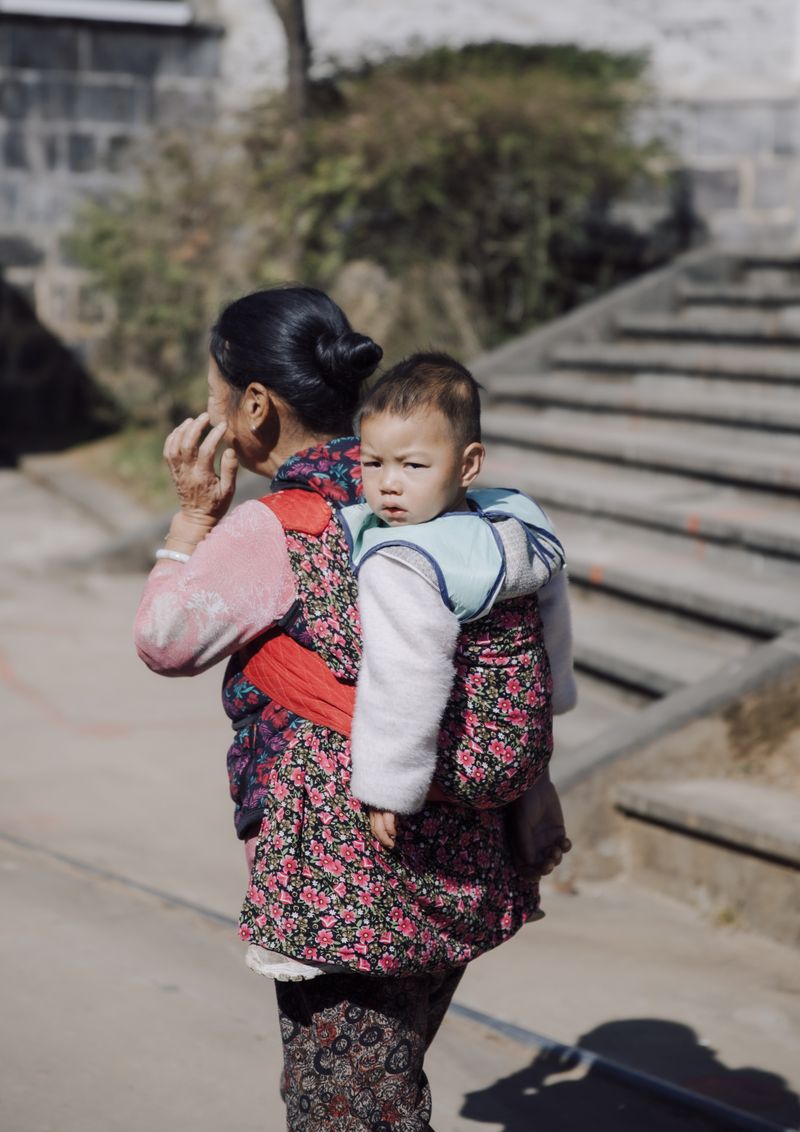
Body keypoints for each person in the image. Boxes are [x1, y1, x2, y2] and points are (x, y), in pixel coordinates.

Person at [134, 284, 571, 1131]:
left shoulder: (274, 529)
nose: (211, 411)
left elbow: (164, 640)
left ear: (255, 406)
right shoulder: (458, 505)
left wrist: (192, 520)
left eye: (217, 393)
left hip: (345, 878)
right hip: (467, 857)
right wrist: (535, 781)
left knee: (347, 1109)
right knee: (386, 1076)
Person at [337, 352, 575, 851]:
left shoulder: (403, 558)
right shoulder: (515, 523)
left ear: (468, 463)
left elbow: (406, 672)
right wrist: (557, 700)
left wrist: (389, 784)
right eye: (372, 463)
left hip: (464, 764)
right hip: (527, 750)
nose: (388, 484)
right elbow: (551, 616)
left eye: (413, 465)